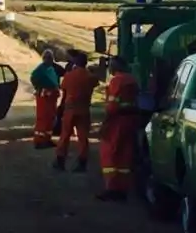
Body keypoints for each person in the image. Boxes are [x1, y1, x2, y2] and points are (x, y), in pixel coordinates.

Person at [96, 55, 140, 201]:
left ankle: (112, 188)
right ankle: (123, 189)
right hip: (131, 120)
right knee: (125, 154)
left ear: (114, 68)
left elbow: (112, 106)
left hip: (117, 121)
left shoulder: (117, 81)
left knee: (110, 153)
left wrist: (105, 123)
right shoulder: (132, 80)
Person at [53, 52, 99, 172]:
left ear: (75, 63)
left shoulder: (69, 76)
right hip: (84, 109)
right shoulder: (90, 77)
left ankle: (60, 161)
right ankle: (82, 163)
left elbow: (64, 92)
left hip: (70, 109)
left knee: (65, 135)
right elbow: (95, 82)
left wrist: (61, 107)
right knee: (83, 137)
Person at [30, 49, 60, 148]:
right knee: (43, 118)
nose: (50, 60)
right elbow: (33, 78)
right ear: (44, 59)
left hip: (51, 97)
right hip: (44, 97)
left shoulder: (50, 68)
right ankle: (39, 141)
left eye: (51, 58)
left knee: (50, 118)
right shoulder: (41, 69)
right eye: (48, 58)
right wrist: (41, 88)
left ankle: (47, 139)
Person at [52, 49, 80, 136]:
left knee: (63, 110)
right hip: (72, 91)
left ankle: (60, 129)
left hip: (69, 91)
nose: (66, 56)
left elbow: (65, 75)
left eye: (68, 55)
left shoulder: (71, 66)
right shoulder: (76, 65)